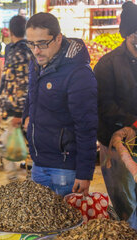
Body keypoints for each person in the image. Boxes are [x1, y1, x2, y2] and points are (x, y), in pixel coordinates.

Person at [24, 13, 97, 196]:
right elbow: (31, 96)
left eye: (41, 43)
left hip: (64, 169)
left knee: (66, 222)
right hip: (38, 163)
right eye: (31, 44)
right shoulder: (37, 64)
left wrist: (84, 173)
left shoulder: (78, 73)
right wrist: (26, 116)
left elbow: (86, 126)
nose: (36, 50)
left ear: (58, 38)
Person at [94, 1, 137, 228]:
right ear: (130, 35)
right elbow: (104, 106)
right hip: (115, 144)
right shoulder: (107, 65)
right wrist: (133, 122)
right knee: (125, 203)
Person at [0, 15, 31, 175]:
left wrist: (18, 114)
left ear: (10, 31)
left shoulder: (20, 52)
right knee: (14, 150)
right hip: (16, 110)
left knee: (10, 152)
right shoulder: (20, 49)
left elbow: (22, 85)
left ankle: (18, 189)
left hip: (15, 112)